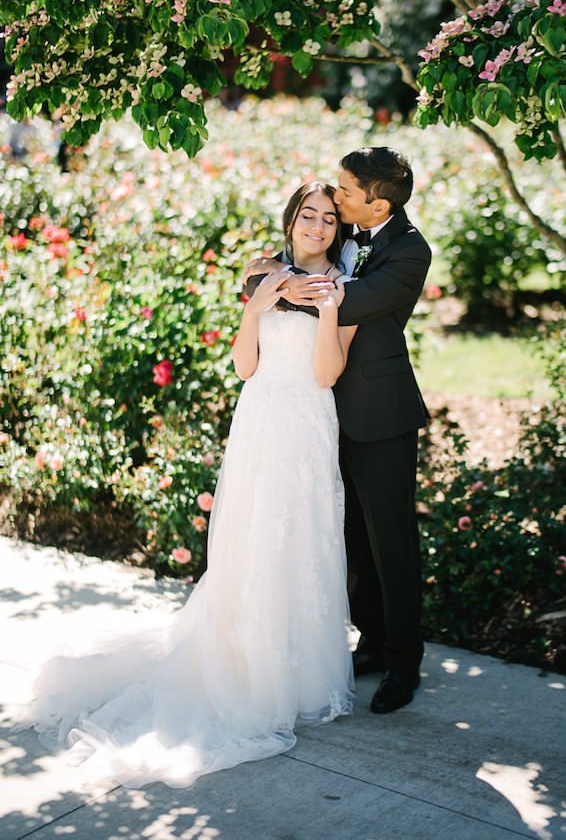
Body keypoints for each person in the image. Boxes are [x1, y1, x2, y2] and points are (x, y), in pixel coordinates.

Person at [21, 182, 357, 788]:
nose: (317, 226)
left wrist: (330, 306)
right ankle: (248, 665)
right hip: (261, 417)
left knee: (306, 539)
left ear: (338, 228)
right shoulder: (265, 274)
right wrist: (263, 299)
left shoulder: (344, 283)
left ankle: (302, 672)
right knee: (254, 538)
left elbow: (328, 373)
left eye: (328, 219)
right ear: (291, 221)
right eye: (308, 215)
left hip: (309, 420)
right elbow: (244, 365)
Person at [248, 147, 432, 715]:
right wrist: (270, 276)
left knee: (390, 540)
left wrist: (273, 287)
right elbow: (291, 257)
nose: (337, 194)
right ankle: (372, 641)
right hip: (316, 411)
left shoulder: (408, 251)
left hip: (378, 413)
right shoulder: (345, 232)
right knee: (348, 537)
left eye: (347, 190)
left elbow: (349, 301)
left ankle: (404, 662)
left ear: (377, 201)